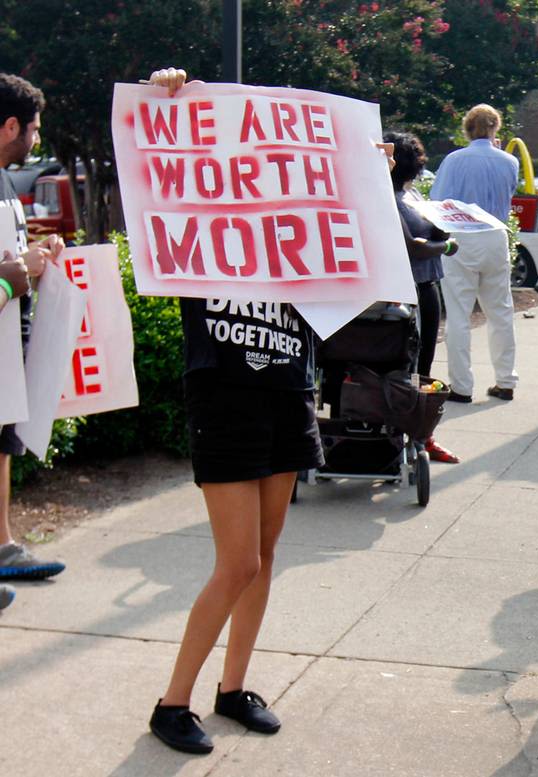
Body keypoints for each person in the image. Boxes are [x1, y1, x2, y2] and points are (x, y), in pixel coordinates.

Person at [144, 68, 324, 755]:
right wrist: (171, 97)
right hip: (223, 389)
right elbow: (162, 175)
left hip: (288, 387)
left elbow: (352, 232)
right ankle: (172, 701)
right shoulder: (201, 211)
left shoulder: (300, 219)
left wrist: (369, 169)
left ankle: (233, 686)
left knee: (266, 552)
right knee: (238, 560)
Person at [0, 72, 66, 581]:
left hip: (8, 340)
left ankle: (3, 545)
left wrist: (36, 259)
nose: (37, 140)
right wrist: (13, 276)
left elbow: (11, 260)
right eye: (34, 130)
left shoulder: (4, 180)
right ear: (9, 126)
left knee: (4, 441)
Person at [429, 103, 519, 404]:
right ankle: (506, 380)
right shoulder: (509, 162)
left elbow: (437, 201)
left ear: (467, 128)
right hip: (495, 234)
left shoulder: (454, 160)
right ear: (495, 128)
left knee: (458, 314)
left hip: (462, 236)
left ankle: (462, 385)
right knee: (501, 311)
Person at [385, 130, 460, 464]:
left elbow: (430, 232)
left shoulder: (412, 194)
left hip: (428, 287)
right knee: (401, 366)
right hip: (403, 291)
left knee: (424, 367)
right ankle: (394, 435)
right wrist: (446, 246)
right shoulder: (386, 197)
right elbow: (413, 248)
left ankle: (422, 435)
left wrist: (446, 222)